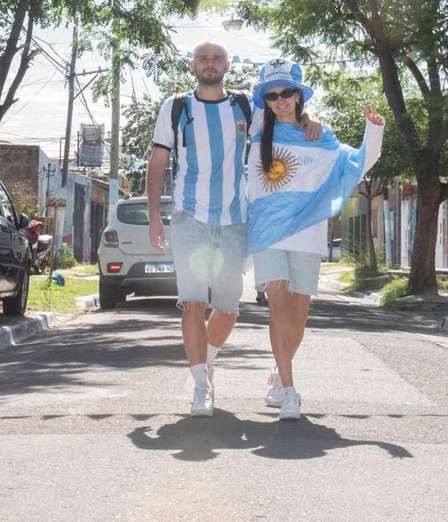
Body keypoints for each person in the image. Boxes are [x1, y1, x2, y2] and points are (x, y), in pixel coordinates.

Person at [146, 41, 319, 417]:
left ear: (227, 66)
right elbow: (159, 158)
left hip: (234, 220)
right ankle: (201, 387)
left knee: (226, 309)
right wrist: (155, 215)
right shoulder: (176, 107)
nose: (210, 64)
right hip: (189, 216)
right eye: (203, 58)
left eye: (217, 59)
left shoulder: (244, 106)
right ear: (193, 65)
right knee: (192, 303)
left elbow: (282, 115)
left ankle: (206, 360)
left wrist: (309, 120)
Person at [245, 59, 384, 421]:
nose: (280, 100)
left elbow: (359, 162)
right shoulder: (260, 130)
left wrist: (374, 131)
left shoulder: (321, 136)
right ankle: (290, 391)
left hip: (307, 236)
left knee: (297, 318)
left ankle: (279, 373)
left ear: (298, 95)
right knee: (277, 308)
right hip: (269, 235)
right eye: (272, 95)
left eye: (287, 92)